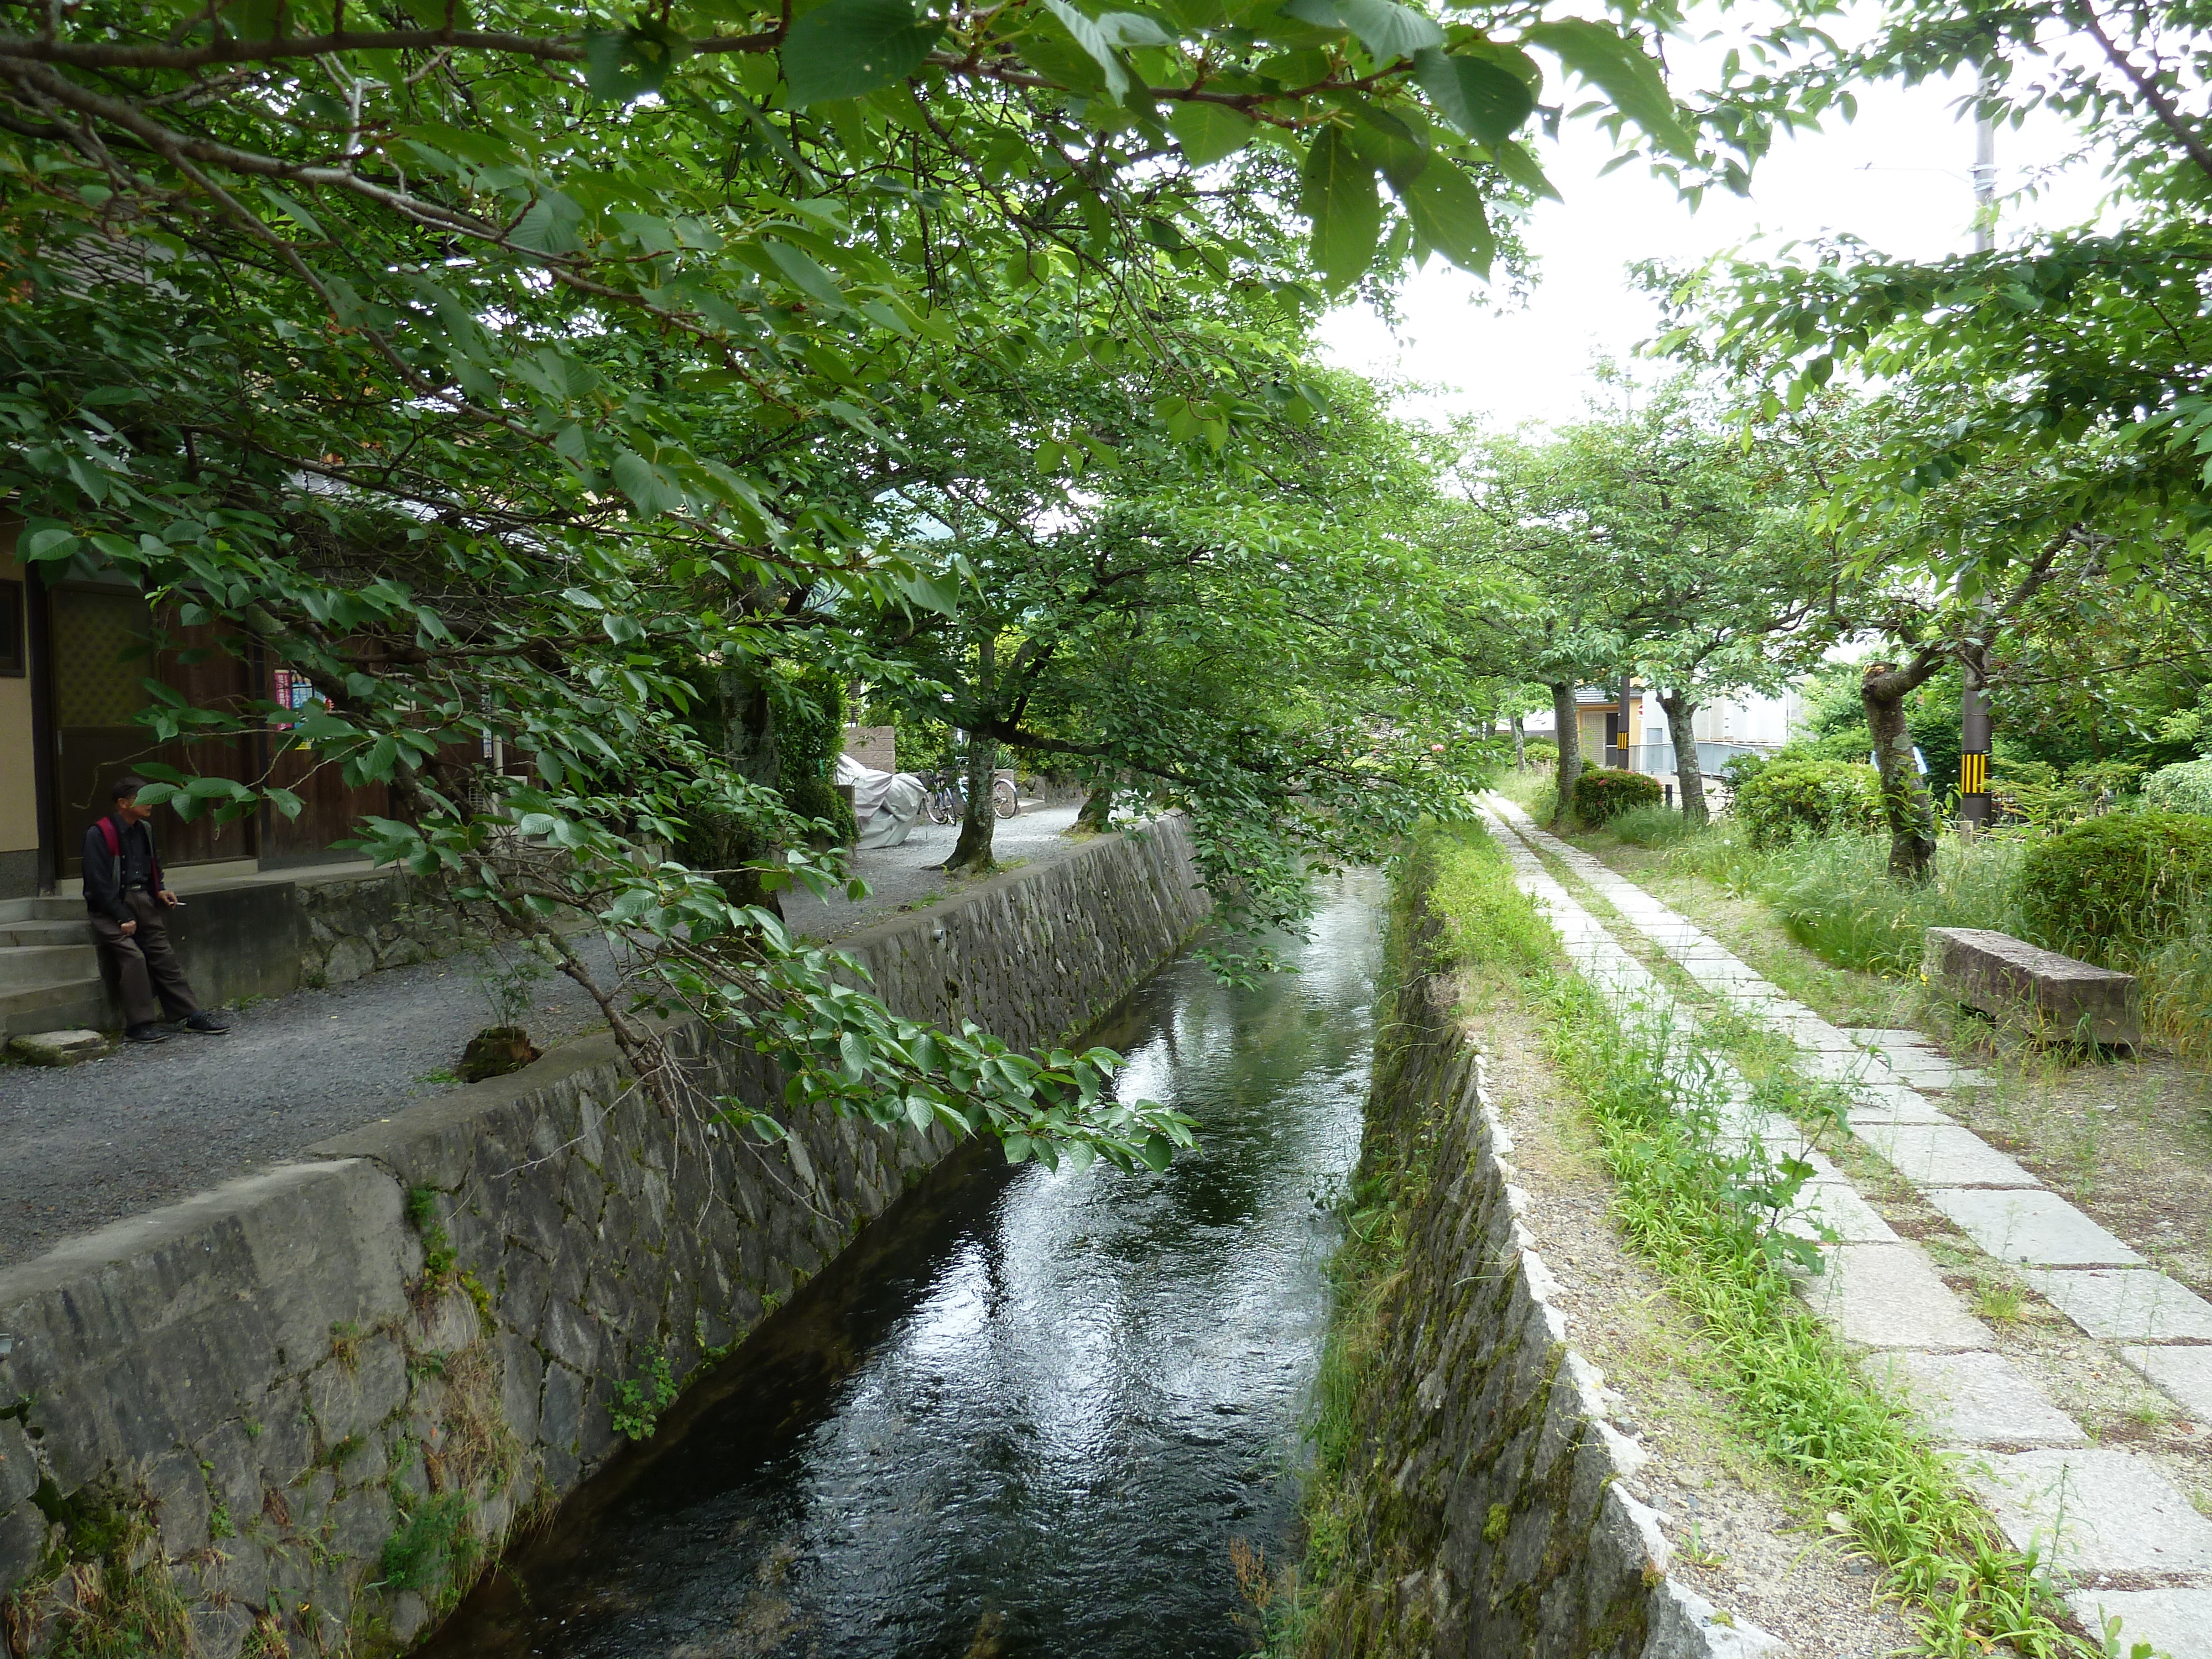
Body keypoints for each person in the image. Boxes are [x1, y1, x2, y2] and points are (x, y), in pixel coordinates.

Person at [82, 776, 229, 1044]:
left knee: (163, 954)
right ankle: (139, 1025)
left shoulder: (145, 829)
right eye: (143, 798)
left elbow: (152, 863)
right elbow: (97, 882)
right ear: (123, 803)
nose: (150, 803)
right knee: (134, 958)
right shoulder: (100, 833)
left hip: (143, 899)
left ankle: (191, 1015)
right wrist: (121, 915)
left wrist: (159, 888)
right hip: (109, 907)